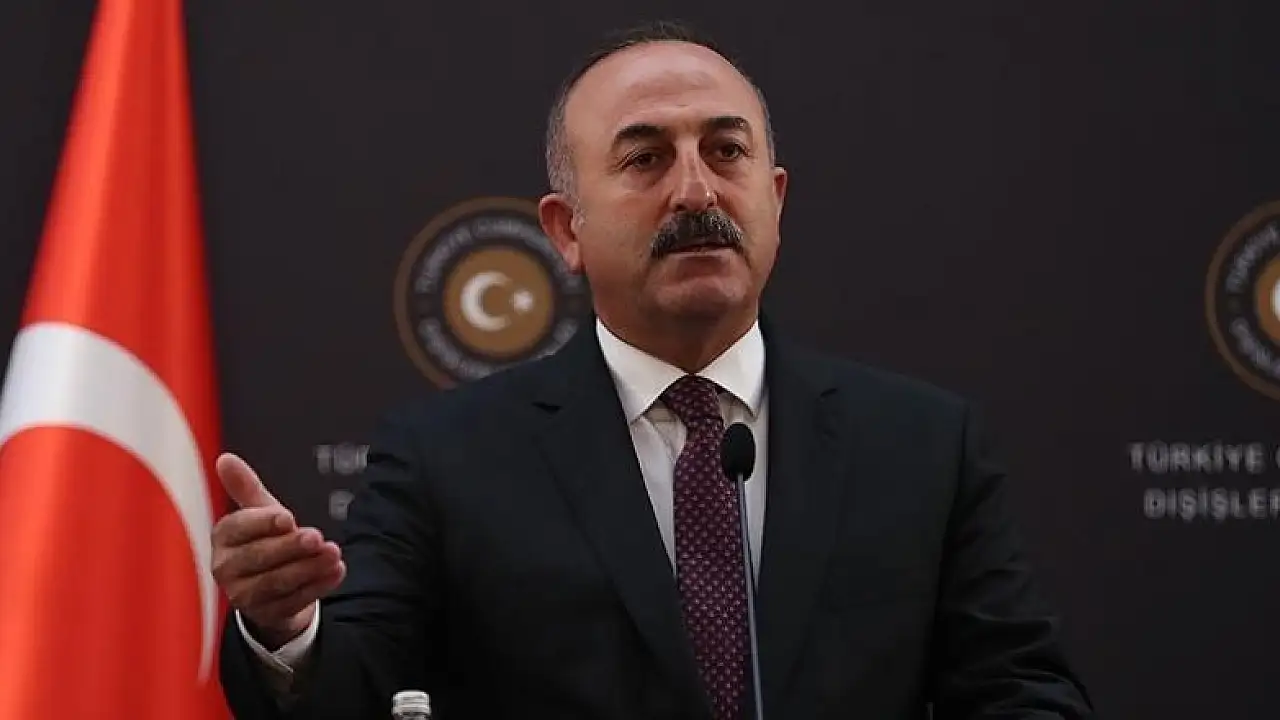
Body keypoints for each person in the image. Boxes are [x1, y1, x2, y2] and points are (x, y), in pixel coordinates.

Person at [213, 20, 1095, 719]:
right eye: (645, 159)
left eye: (726, 151)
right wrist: (285, 628)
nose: (696, 192)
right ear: (565, 231)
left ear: (775, 200)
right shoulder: (447, 458)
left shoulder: (922, 445)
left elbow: (1021, 691)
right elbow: (356, 690)